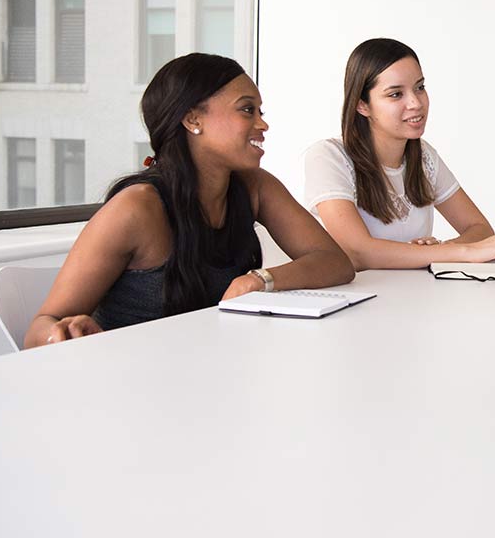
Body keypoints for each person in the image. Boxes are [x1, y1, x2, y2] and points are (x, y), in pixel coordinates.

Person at [24, 54, 354, 347]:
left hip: (208, 373)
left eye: (260, 111)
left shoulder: (255, 187)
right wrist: (62, 333)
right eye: (246, 109)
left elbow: (334, 262)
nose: (262, 123)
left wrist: (260, 279)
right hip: (132, 386)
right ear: (193, 119)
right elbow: (38, 330)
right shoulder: (136, 209)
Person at [303, 38, 495, 270]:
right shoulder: (328, 157)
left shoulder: (424, 156)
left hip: (416, 297)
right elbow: (358, 252)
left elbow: (479, 228)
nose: (416, 103)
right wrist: (451, 252)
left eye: (419, 87)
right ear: (362, 105)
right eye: (396, 94)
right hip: (360, 301)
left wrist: (437, 251)